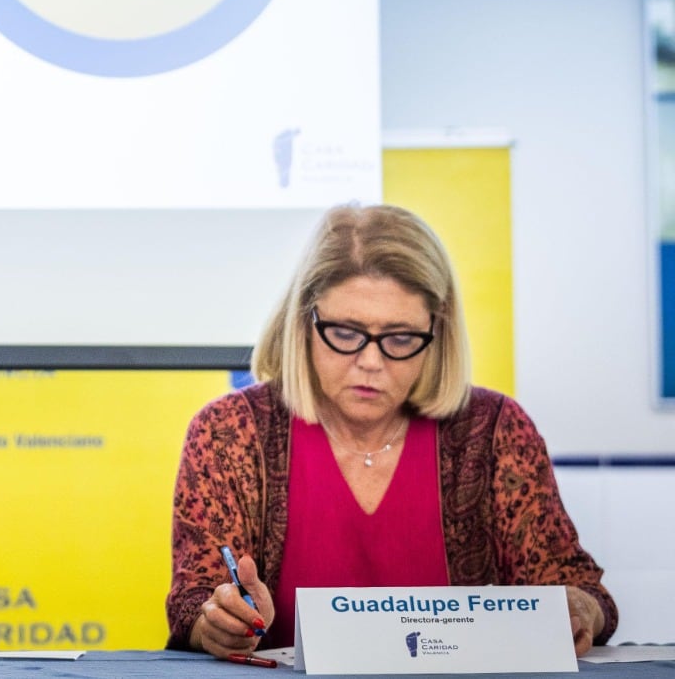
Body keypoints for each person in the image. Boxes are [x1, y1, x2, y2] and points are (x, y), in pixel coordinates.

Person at [166, 204, 615, 657]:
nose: (371, 362)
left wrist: (579, 608)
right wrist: (219, 621)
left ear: (436, 333)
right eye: (345, 333)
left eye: (400, 338)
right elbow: (194, 600)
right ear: (304, 322)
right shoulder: (229, 432)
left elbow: (578, 590)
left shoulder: (493, 431)